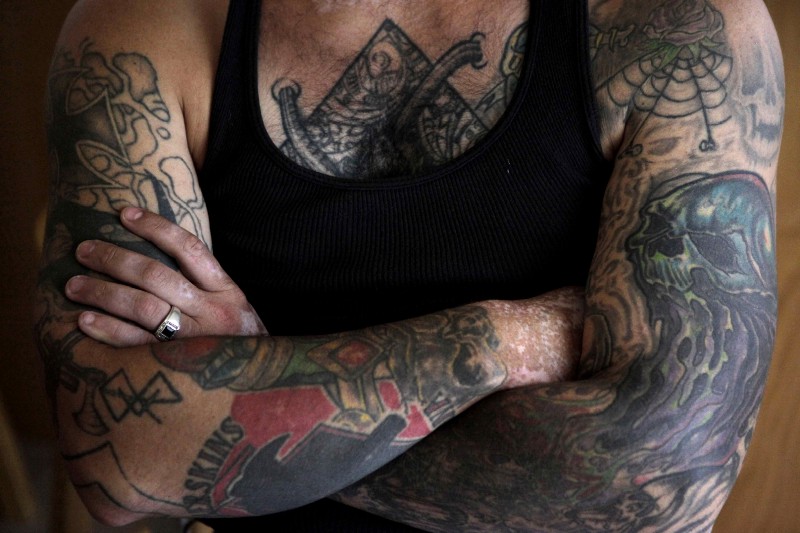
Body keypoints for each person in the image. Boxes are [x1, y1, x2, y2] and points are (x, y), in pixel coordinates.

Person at [35, 0, 784, 530]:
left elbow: (665, 484)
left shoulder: (679, 27)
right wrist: (501, 340)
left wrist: (257, 387)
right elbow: (120, 455)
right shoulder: (141, 27)